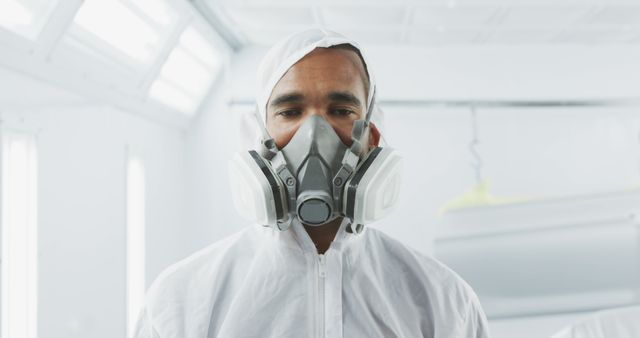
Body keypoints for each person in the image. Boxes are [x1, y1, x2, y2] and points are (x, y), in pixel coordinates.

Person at [134, 29, 490, 338]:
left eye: (341, 110)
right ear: (259, 135)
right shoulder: (181, 301)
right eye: (290, 111)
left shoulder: (443, 302)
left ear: (372, 136)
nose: (315, 133)